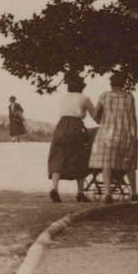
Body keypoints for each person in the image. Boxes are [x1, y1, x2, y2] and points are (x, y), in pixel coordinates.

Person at [88, 72, 138, 203]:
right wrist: (136, 136)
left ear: (111, 84)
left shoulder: (104, 96)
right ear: (123, 83)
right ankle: (134, 193)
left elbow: (95, 115)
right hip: (124, 133)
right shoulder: (129, 96)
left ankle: (108, 194)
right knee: (129, 163)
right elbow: (132, 118)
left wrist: (100, 120)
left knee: (106, 163)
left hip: (105, 134)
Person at [47, 73, 95, 202]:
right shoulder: (84, 98)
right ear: (81, 88)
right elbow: (95, 115)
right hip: (75, 126)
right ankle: (80, 192)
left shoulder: (64, 98)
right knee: (78, 156)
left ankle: (54, 188)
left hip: (61, 125)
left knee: (58, 155)